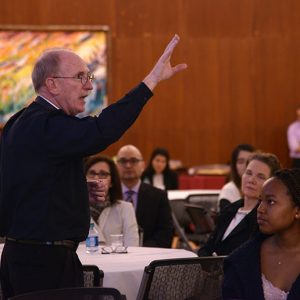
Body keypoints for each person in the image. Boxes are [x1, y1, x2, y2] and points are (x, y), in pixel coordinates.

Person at [0, 35, 187, 298]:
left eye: (89, 77)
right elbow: (101, 129)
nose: (89, 87)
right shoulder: (48, 125)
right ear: (52, 84)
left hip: (25, 257)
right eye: (80, 77)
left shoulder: (18, 122)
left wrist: (72, 189)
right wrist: (151, 81)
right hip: (44, 263)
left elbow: (25, 182)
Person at [223, 168, 300, 300]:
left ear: (297, 211)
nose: (260, 209)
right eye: (260, 201)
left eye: (270, 201)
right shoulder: (241, 260)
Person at [197, 152, 281, 257]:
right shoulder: (230, 210)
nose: (251, 180)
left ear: (271, 184)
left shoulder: (265, 219)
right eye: (248, 173)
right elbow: (206, 247)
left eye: (260, 177)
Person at [116, 144, 174, 248]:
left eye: (133, 161)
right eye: (123, 161)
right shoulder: (108, 195)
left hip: (148, 257)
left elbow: (165, 235)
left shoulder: (159, 196)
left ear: (143, 165)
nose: (128, 165)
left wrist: (139, 250)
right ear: (116, 166)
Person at [84, 155, 139, 247]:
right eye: (92, 173)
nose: (96, 178)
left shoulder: (125, 208)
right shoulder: (73, 208)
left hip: (119, 261)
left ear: (112, 182)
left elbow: (133, 248)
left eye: (103, 174)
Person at [218, 143, 256, 211]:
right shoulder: (229, 190)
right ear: (234, 165)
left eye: (249, 162)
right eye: (241, 162)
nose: (246, 166)